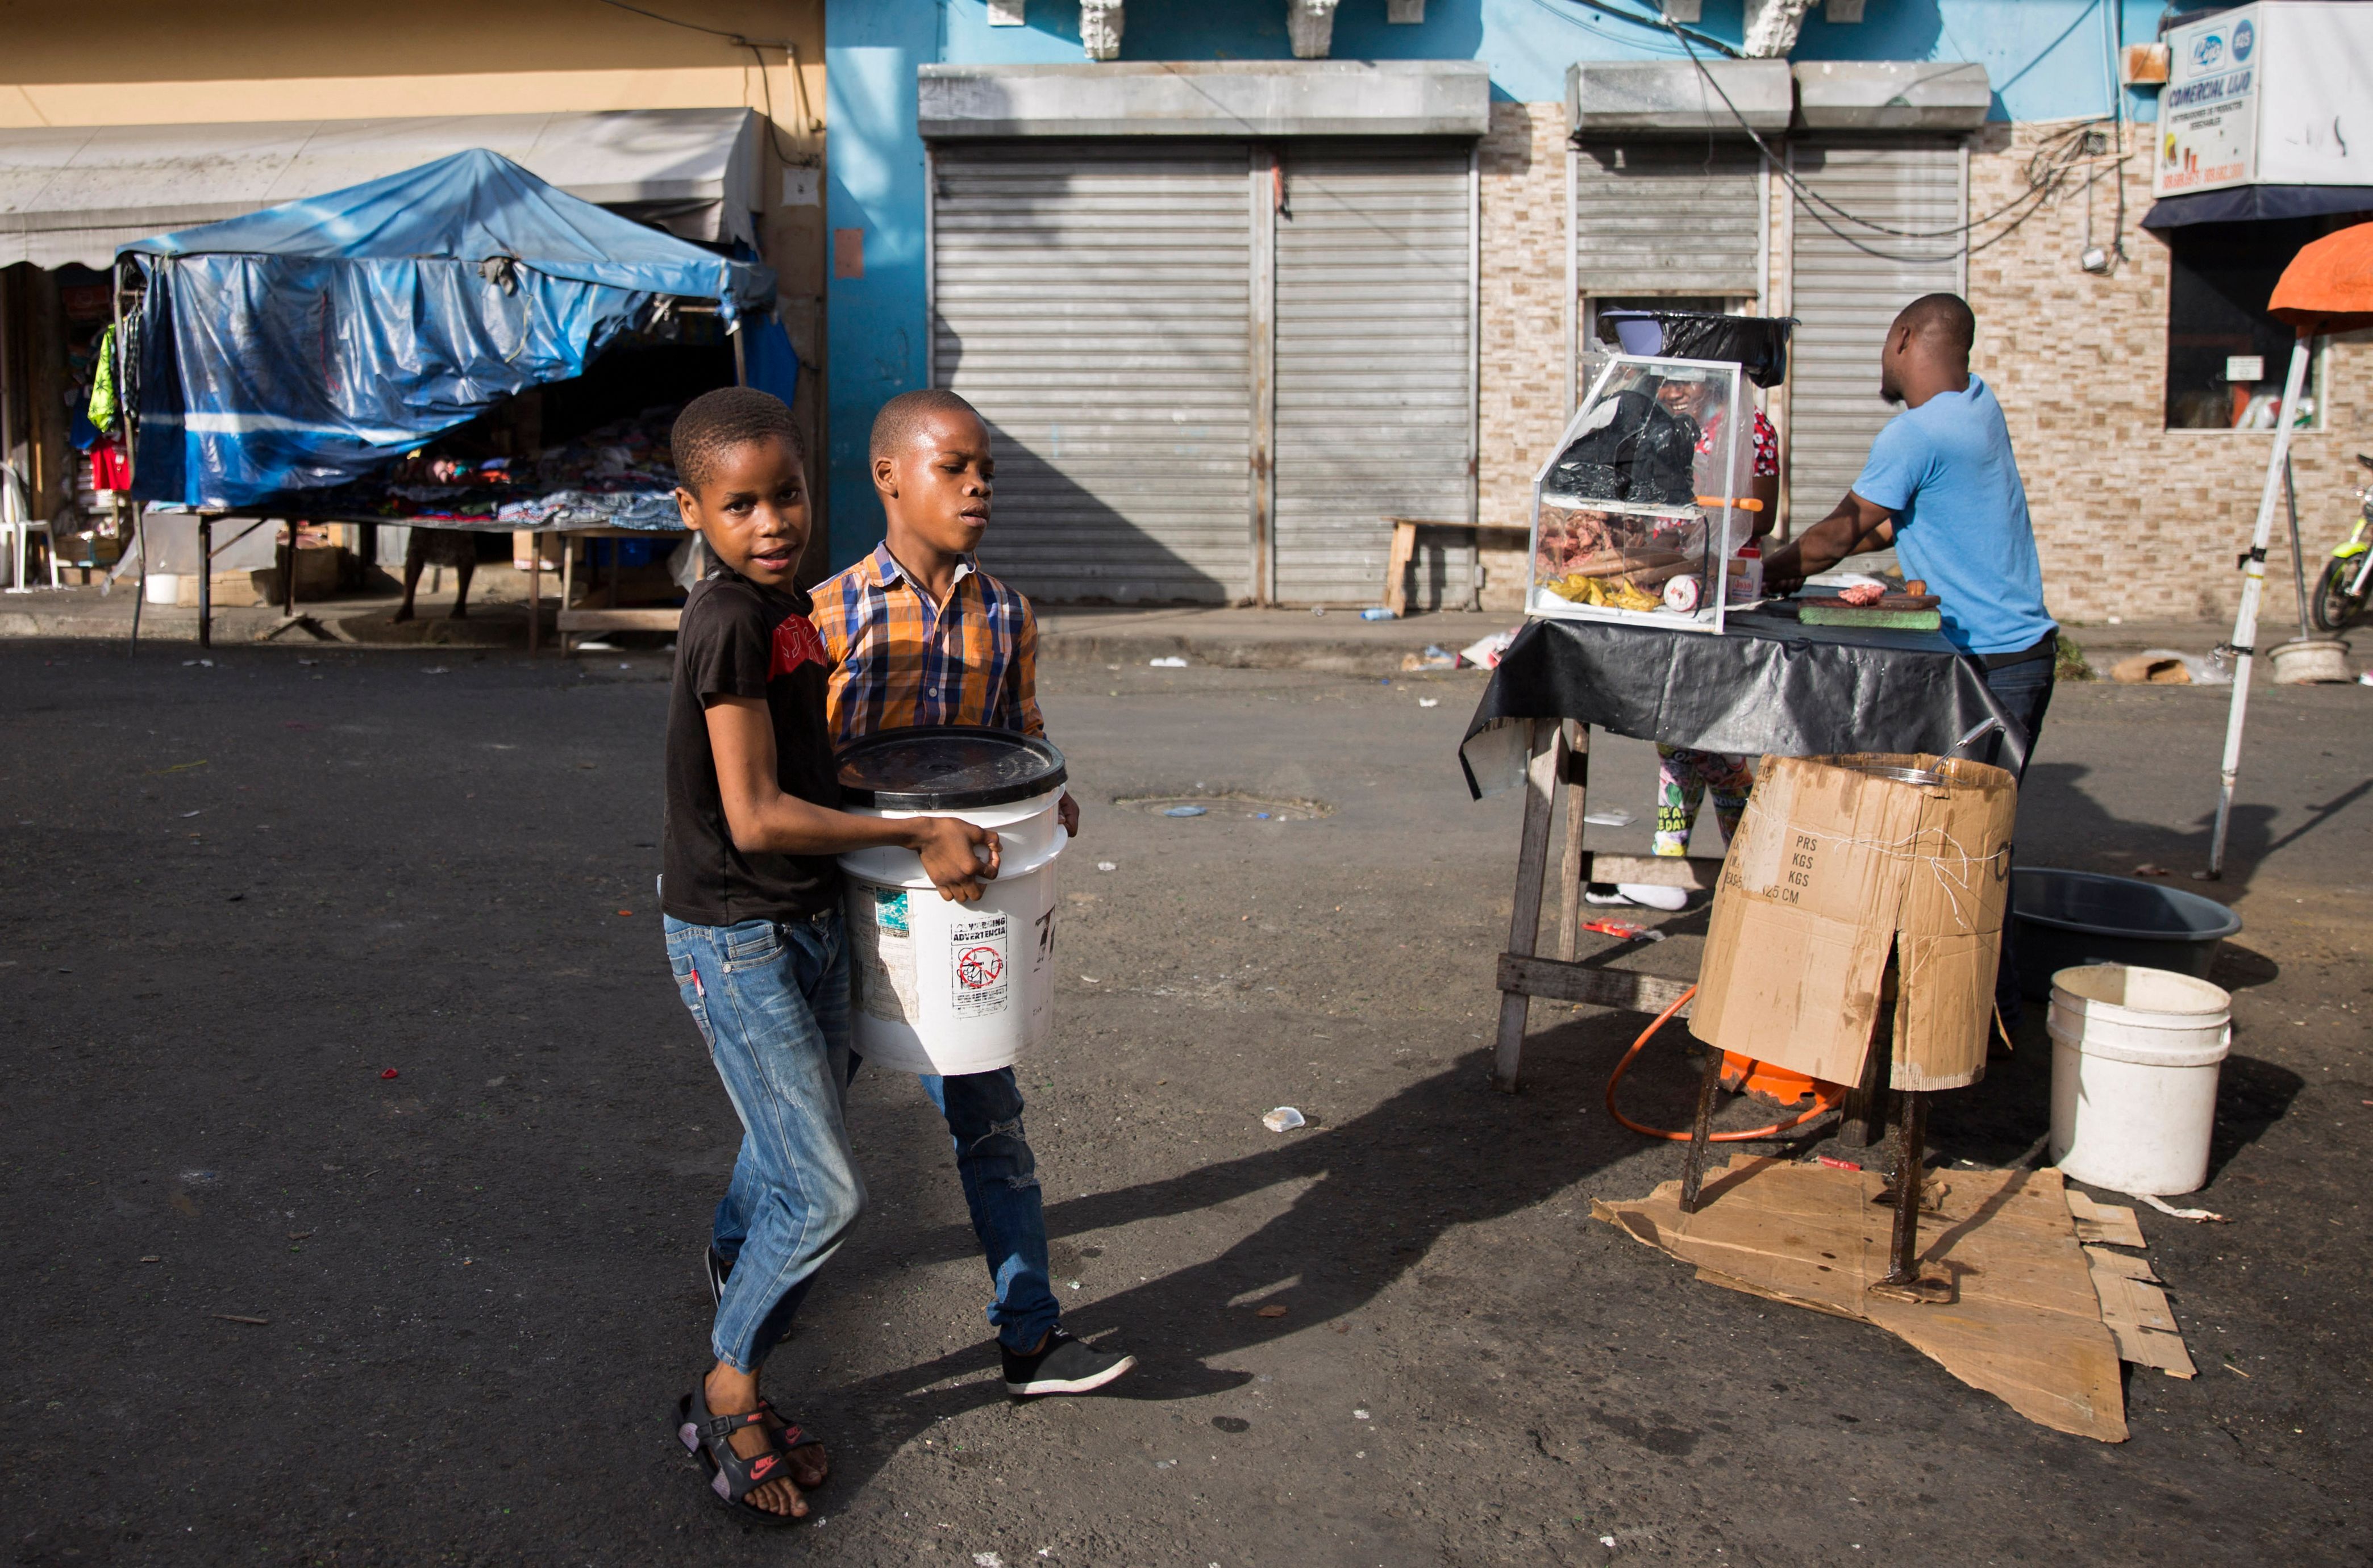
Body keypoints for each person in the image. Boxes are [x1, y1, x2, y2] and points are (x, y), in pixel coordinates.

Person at [658, 386, 1000, 1523]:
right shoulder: (728, 625)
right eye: (741, 504)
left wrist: (947, 804)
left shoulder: (789, 608)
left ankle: (733, 1280)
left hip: (809, 922)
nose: (772, 521)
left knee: (785, 1158)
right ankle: (725, 1383)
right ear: (692, 511)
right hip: (738, 935)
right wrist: (909, 830)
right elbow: (756, 815)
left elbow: (818, 771)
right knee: (826, 1193)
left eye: (788, 494)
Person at [810, 388, 1135, 1401]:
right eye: (953, 466)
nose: (978, 484)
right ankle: (742, 1268)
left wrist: (1052, 801)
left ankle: (1029, 1335)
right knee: (808, 1122)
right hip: (849, 908)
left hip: (965, 913)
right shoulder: (826, 616)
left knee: (991, 1120)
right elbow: (795, 774)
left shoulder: (1007, 613)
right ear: (888, 477)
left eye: (984, 467)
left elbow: (1022, 745)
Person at [1764, 292, 2057, 1020]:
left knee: (1970, 849)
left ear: (1903, 339)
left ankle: (1983, 1021)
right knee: (1970, 839)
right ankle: (1970, 1010)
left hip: (1995, 664)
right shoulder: (1977, 407)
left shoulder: (1919, 432)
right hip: (2019, 654)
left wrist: (1760, 572)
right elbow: (1887, 526)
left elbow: (1841, 535)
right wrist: (1809, 557)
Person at [1640, 374, 1780, 875]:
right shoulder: (1668, 429)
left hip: (1721, 592)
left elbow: (1758, 518)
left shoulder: (1751, 430)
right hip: (1672, 590)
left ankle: (1739, 866)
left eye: (1684, 384)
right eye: (1664, 384)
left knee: (1702, 737)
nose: (1671, 394)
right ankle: (1677, 860)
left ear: (1715, 384)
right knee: (1678, 731)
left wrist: (1699, 492)